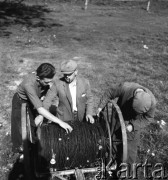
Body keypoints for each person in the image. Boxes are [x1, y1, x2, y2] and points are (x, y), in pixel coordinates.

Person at [11, 63, 73, 154]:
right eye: (47, 82)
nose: (49, 84)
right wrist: (60, 122)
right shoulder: (28, 84)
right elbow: (40, 109)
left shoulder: (42, 79)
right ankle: (21, 149)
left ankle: (34, 141)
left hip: (33, 99)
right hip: (21, 102)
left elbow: (43, 97)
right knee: (21, 129)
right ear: (38, 78)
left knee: (34, 123)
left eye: (50, 81)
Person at [97, 82, 156, 167]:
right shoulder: (125, 88)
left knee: (129, 153)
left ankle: (125, 172)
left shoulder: (152, 102)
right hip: (119, 117)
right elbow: (110, 92)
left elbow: (148, 118)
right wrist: (100, 107)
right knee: (113, 142)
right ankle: (112, 163)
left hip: (134, 124)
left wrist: (132, 126)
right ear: (132, 99)